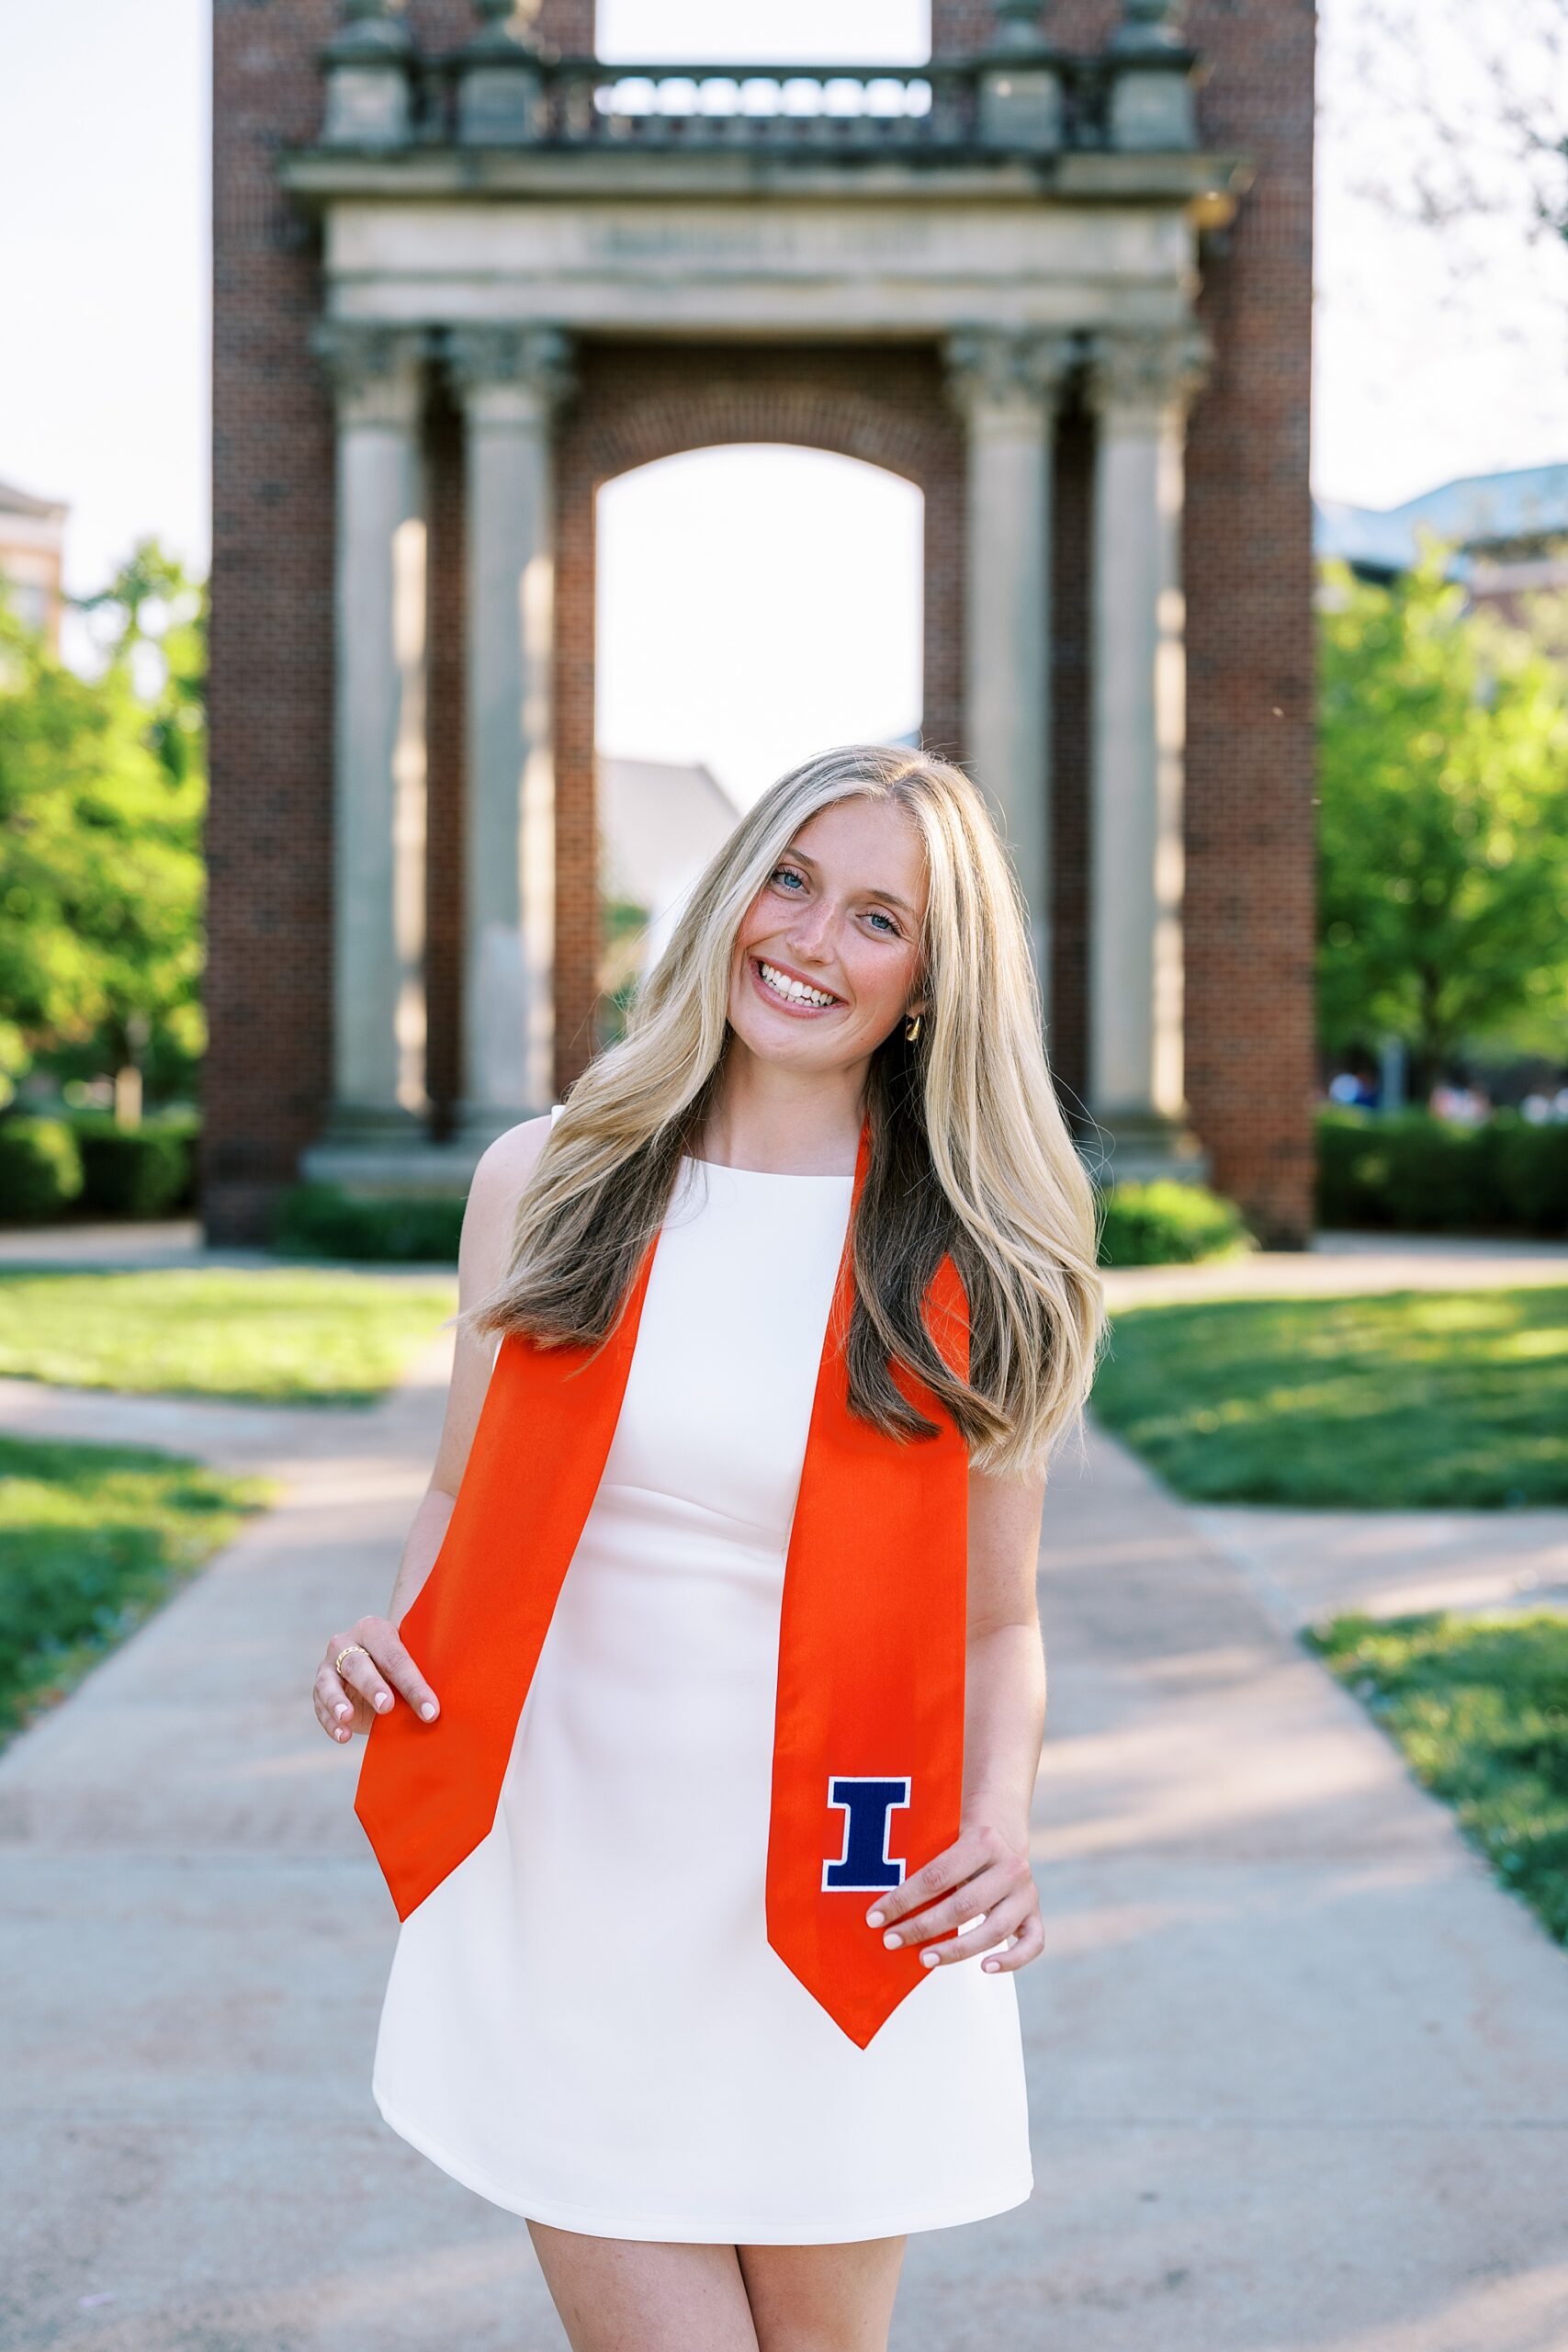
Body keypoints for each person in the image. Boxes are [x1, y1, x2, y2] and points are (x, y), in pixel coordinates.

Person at [311, 743, 1104, 2352]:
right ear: (732, 888)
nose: (810, 942)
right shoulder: (552, 1179)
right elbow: (462, 1500)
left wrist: (1003, 1821)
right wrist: (396, 1641)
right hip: (576, 1874)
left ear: (933, 982)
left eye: (879, 918)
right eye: (792, 879)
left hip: (845, 1875)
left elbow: (998, 1626)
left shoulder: (975, 1252)